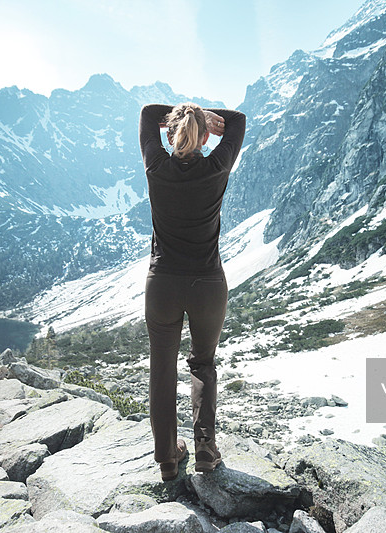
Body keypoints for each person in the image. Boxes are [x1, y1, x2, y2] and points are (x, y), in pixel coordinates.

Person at [138, 102, 246, 481]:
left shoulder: (155, 164)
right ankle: (204, 449)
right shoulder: (217, 166)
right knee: (202, 364)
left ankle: (167, 458)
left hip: (162, 283)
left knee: (162, 369)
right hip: (207, 284)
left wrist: (185, 112)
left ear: (169, 133)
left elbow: (148, 111)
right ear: (204, 137)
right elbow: (237, 121)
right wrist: (207, 118)